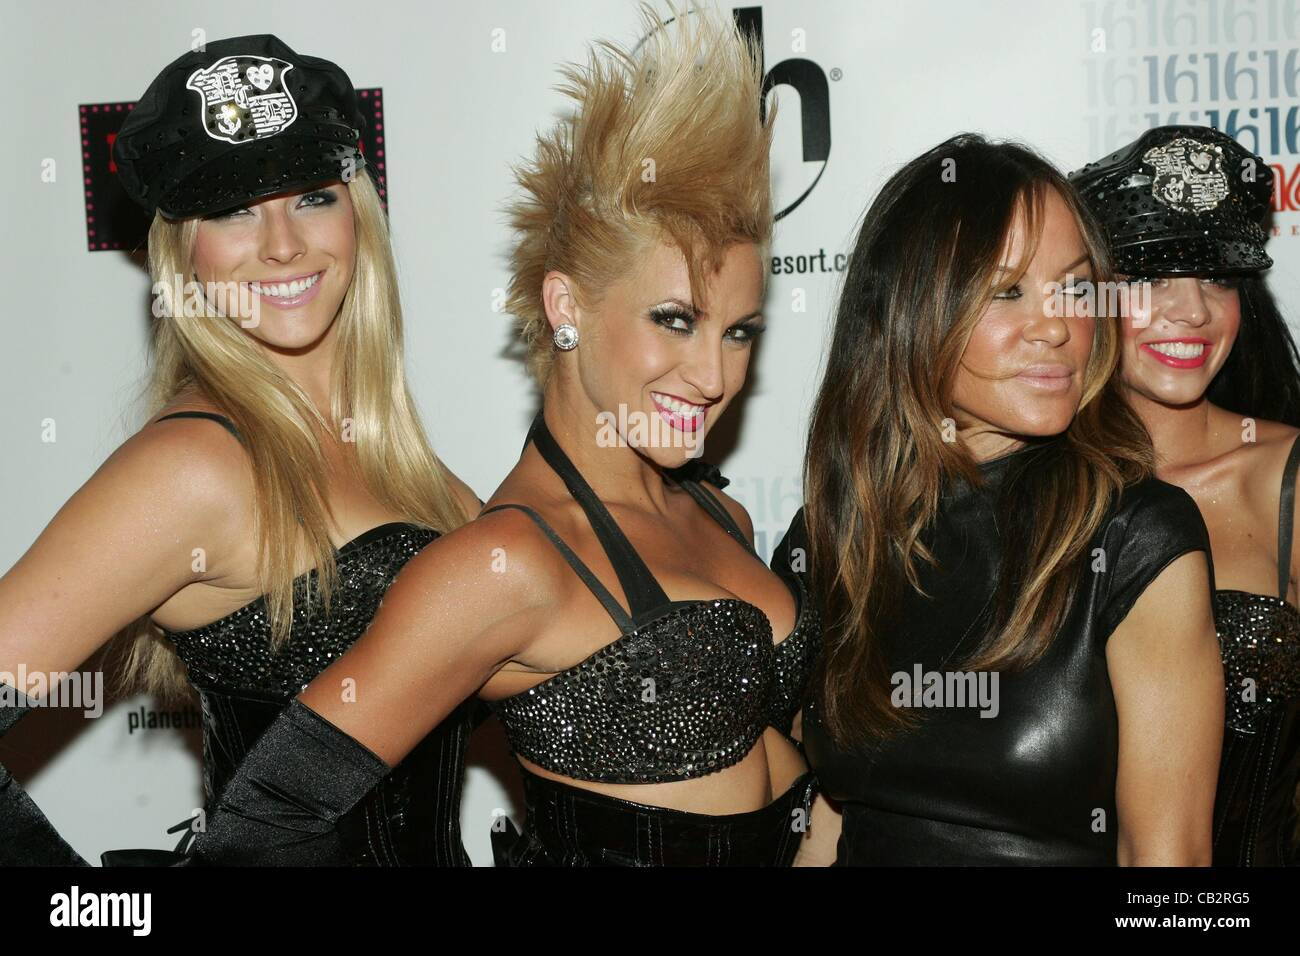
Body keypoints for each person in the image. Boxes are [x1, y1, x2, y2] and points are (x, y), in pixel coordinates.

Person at [176, 2, 822, 867]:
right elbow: (267, 823)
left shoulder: (717, 517)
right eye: (674, 320)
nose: (714, 375)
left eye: (740, 331)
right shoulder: (505, 564)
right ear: (566, 307)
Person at [0, 34, 482, 866]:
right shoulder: (193, 469)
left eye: (311, 197)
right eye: (232, 210)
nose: (283, 245)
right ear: (182, 253)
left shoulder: (409, 467)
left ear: (358, 212)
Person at [772, 133, 1223, 866]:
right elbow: (830, 821)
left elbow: (1168, 860)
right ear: (912, 313)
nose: (1056, 327)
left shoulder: (1136, 538)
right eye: (1006, 291)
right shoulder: (837, 537)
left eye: (1076, 288)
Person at [1072, 125, 1300, 866]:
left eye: (1218, 279)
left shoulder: (1287, 478)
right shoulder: (1027, 488)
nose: (1193, 313)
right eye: (1151, 278)